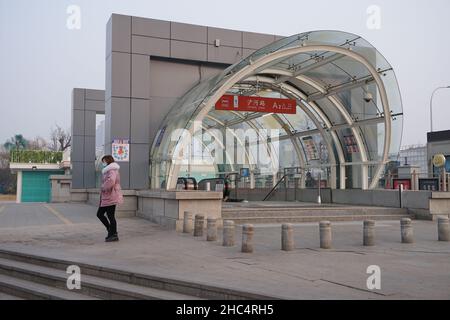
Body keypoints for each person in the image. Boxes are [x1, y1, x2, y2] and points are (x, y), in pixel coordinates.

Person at [97, 155, 123, 242]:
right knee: (105, 215)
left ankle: (113, 233)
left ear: (108, 161)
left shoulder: (111, 170)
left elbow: (111, 181)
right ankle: (112, 232)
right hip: (108, 196)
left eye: (103, 161)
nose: (103, 163)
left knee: (106, 215)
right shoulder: (108, 170)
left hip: (111, 195)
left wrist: (103, 187)